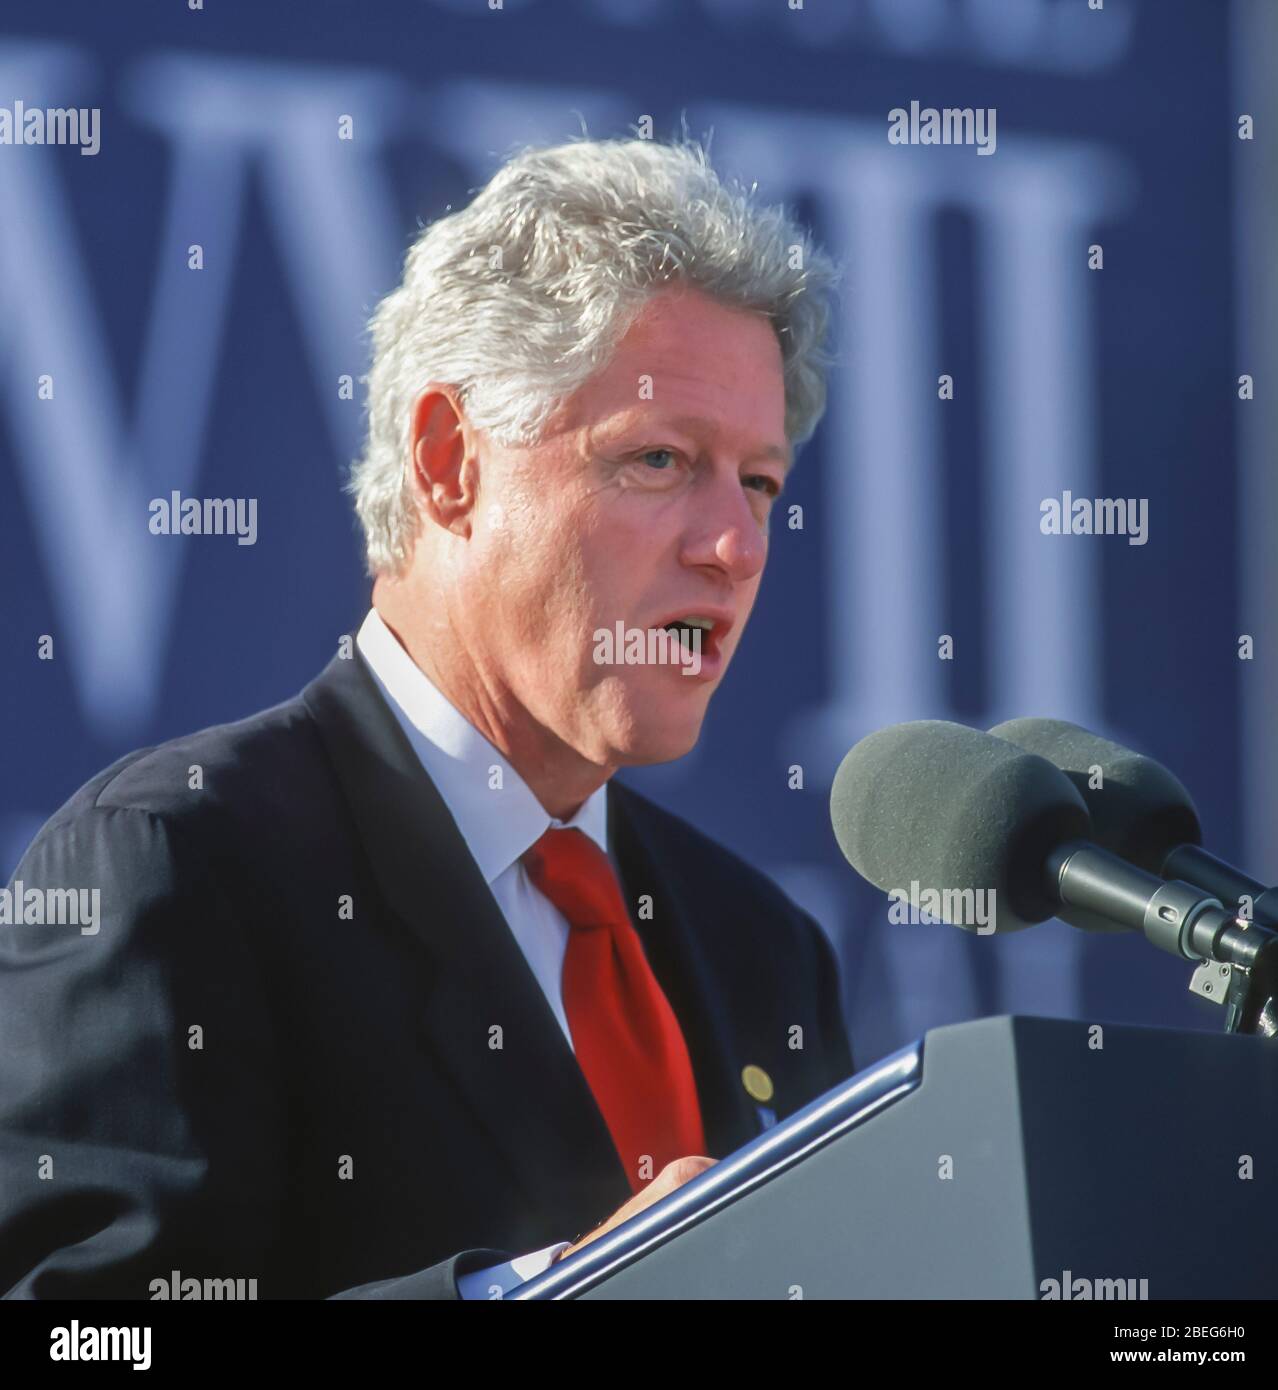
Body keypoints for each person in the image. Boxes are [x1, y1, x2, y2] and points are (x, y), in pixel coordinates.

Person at [0, 136, 852, 1300]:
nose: (734, 546)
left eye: (758, 482)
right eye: (659, 460)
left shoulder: (761, 947)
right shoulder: (178, 866)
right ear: (449, 463)